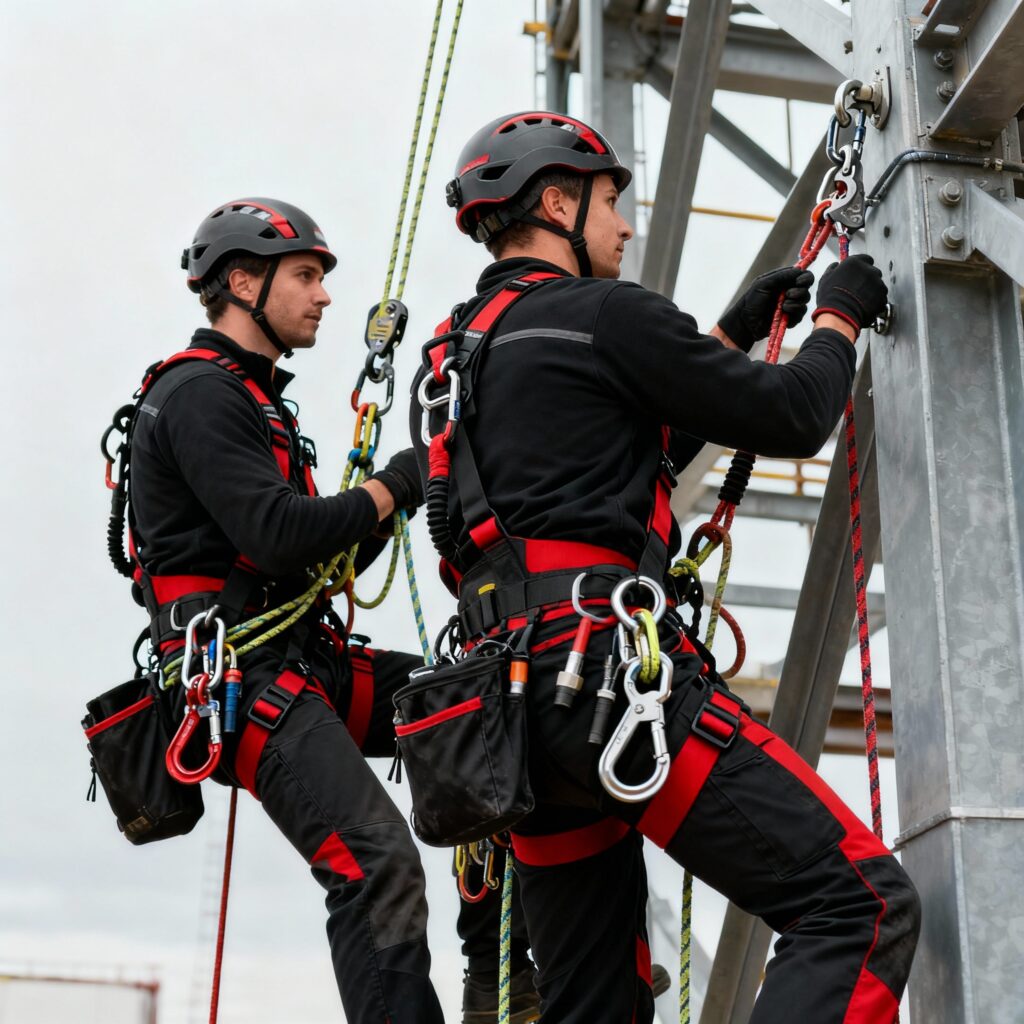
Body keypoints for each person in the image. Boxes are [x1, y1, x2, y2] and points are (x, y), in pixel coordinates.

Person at [411, 113, 921, 1023]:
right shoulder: (606, 314)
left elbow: (607, 448)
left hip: (511, 720)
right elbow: (795, 412)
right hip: (602, 675)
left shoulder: (449, 361)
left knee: (593, 1006)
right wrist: (839, 315)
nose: (624, 225)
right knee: (859, 905)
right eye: (610, 201)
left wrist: (728, 333)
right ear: (557, 204)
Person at [125, 198, 443, 1022]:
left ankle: (499, 975)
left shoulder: (255, 401)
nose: (324, 295)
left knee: (480, 714)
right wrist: (395, 484)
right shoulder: (198, 394)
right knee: (375, 863)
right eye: (305, 275)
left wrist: (395, 499)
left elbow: (317, 564)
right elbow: (277, 537)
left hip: (293, 657)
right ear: (242, 283)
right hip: (239, 673)